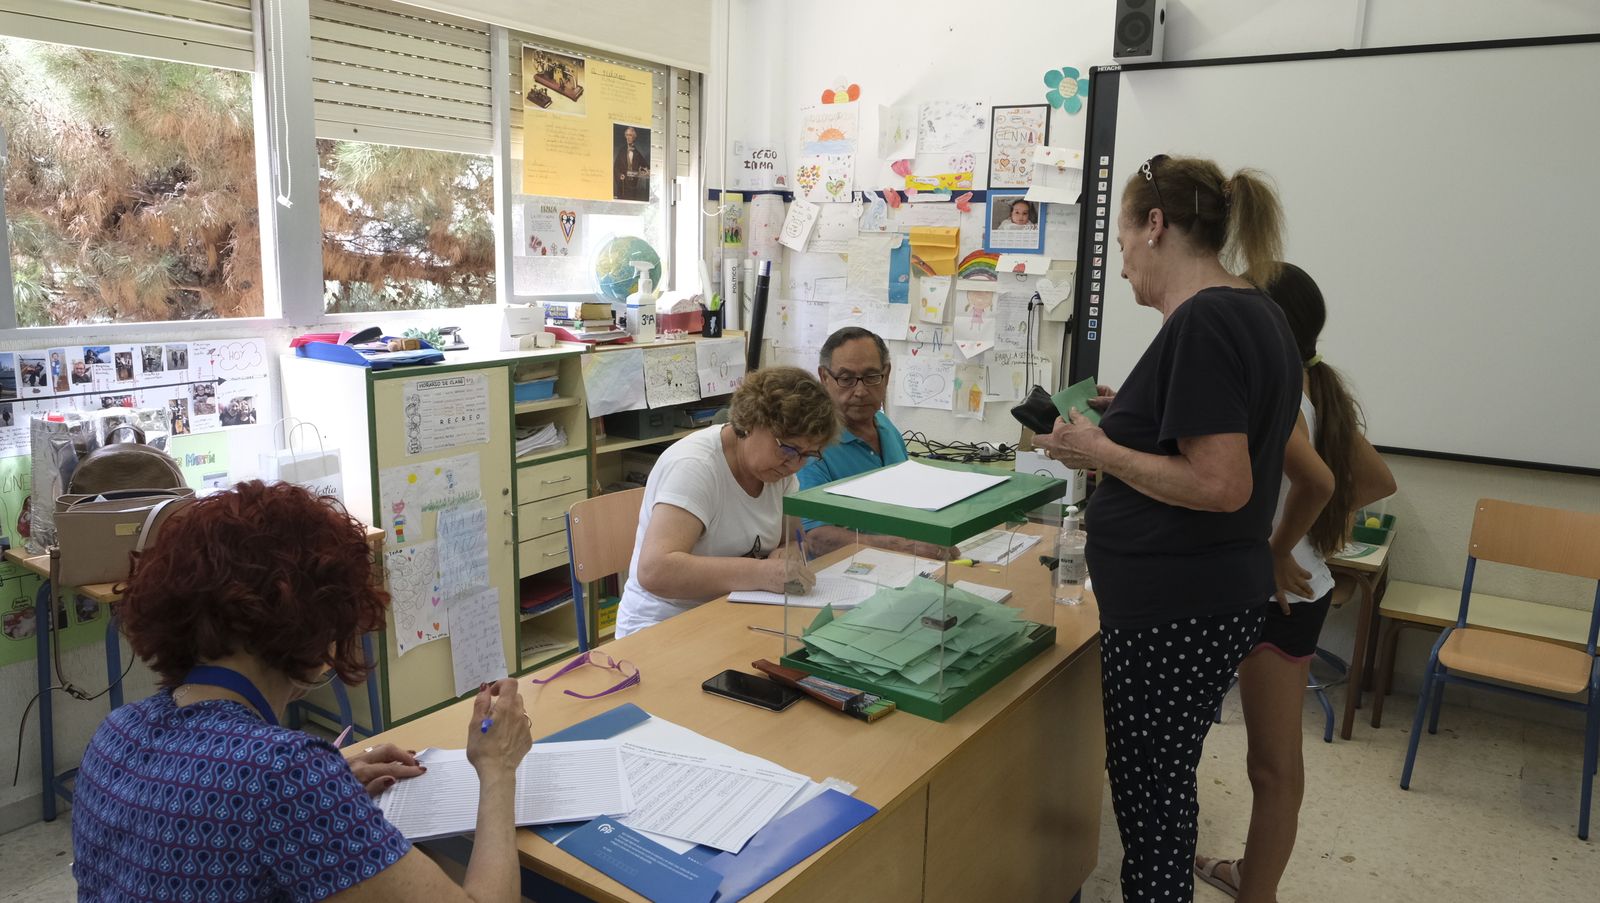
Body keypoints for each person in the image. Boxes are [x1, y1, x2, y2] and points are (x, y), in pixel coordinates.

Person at [1032, 153, 1300, 901]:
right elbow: (1208, 438)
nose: (1121, 267)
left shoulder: (1204, 320)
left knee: (1150, 797)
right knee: (1165, 782)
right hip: (1206, 596)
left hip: (1173, 607)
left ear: (1155, 225)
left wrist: (1098, 450)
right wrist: (1128, 417)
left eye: (1121, 245)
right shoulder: (1256, 309)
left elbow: (1221, 483)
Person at [72, 481, 535, 903]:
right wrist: (497, 768)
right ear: (319, 624)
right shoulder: (284, 776)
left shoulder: (114, 735)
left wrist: (326, 791)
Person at [1193, 264, 1397, 901]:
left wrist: (1279, 545)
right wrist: (1304, 533)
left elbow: (1325, 483)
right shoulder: (1313, 387)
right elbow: (1373, 481)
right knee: (1277, 765)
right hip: (1294, 593)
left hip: (1272, 595)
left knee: (1271, 769)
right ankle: (1254, 882)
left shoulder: (1276, 390)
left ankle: (1256, 890)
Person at [616, 367, 836, 637]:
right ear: (750, 422)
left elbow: (793, 539)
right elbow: (656, 571)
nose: (795, 465)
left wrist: (789, 554)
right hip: (662, 625)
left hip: (732, 614)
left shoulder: (779, 472)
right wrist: (762, 573)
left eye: (808, 455)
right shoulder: (695, 466)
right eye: (788, 448)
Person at [799, 327, 953, 560]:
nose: (860, 391)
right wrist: (899, 546)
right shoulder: (811, 446)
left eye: (871, 377)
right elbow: (815, 538)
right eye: (846, 379)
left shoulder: (885, 427)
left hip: (901, 565)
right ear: (824, 378)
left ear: (886, 375)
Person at [614, 126, 649, 201]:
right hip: (623, 185)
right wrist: (620, 175)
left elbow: (646, 167)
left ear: (634, 137)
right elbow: (616, 167)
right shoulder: (621, 151)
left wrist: (642, 173)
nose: (628, 137)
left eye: (630, 135)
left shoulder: (637, 153)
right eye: (627, 135)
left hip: (633, 186)